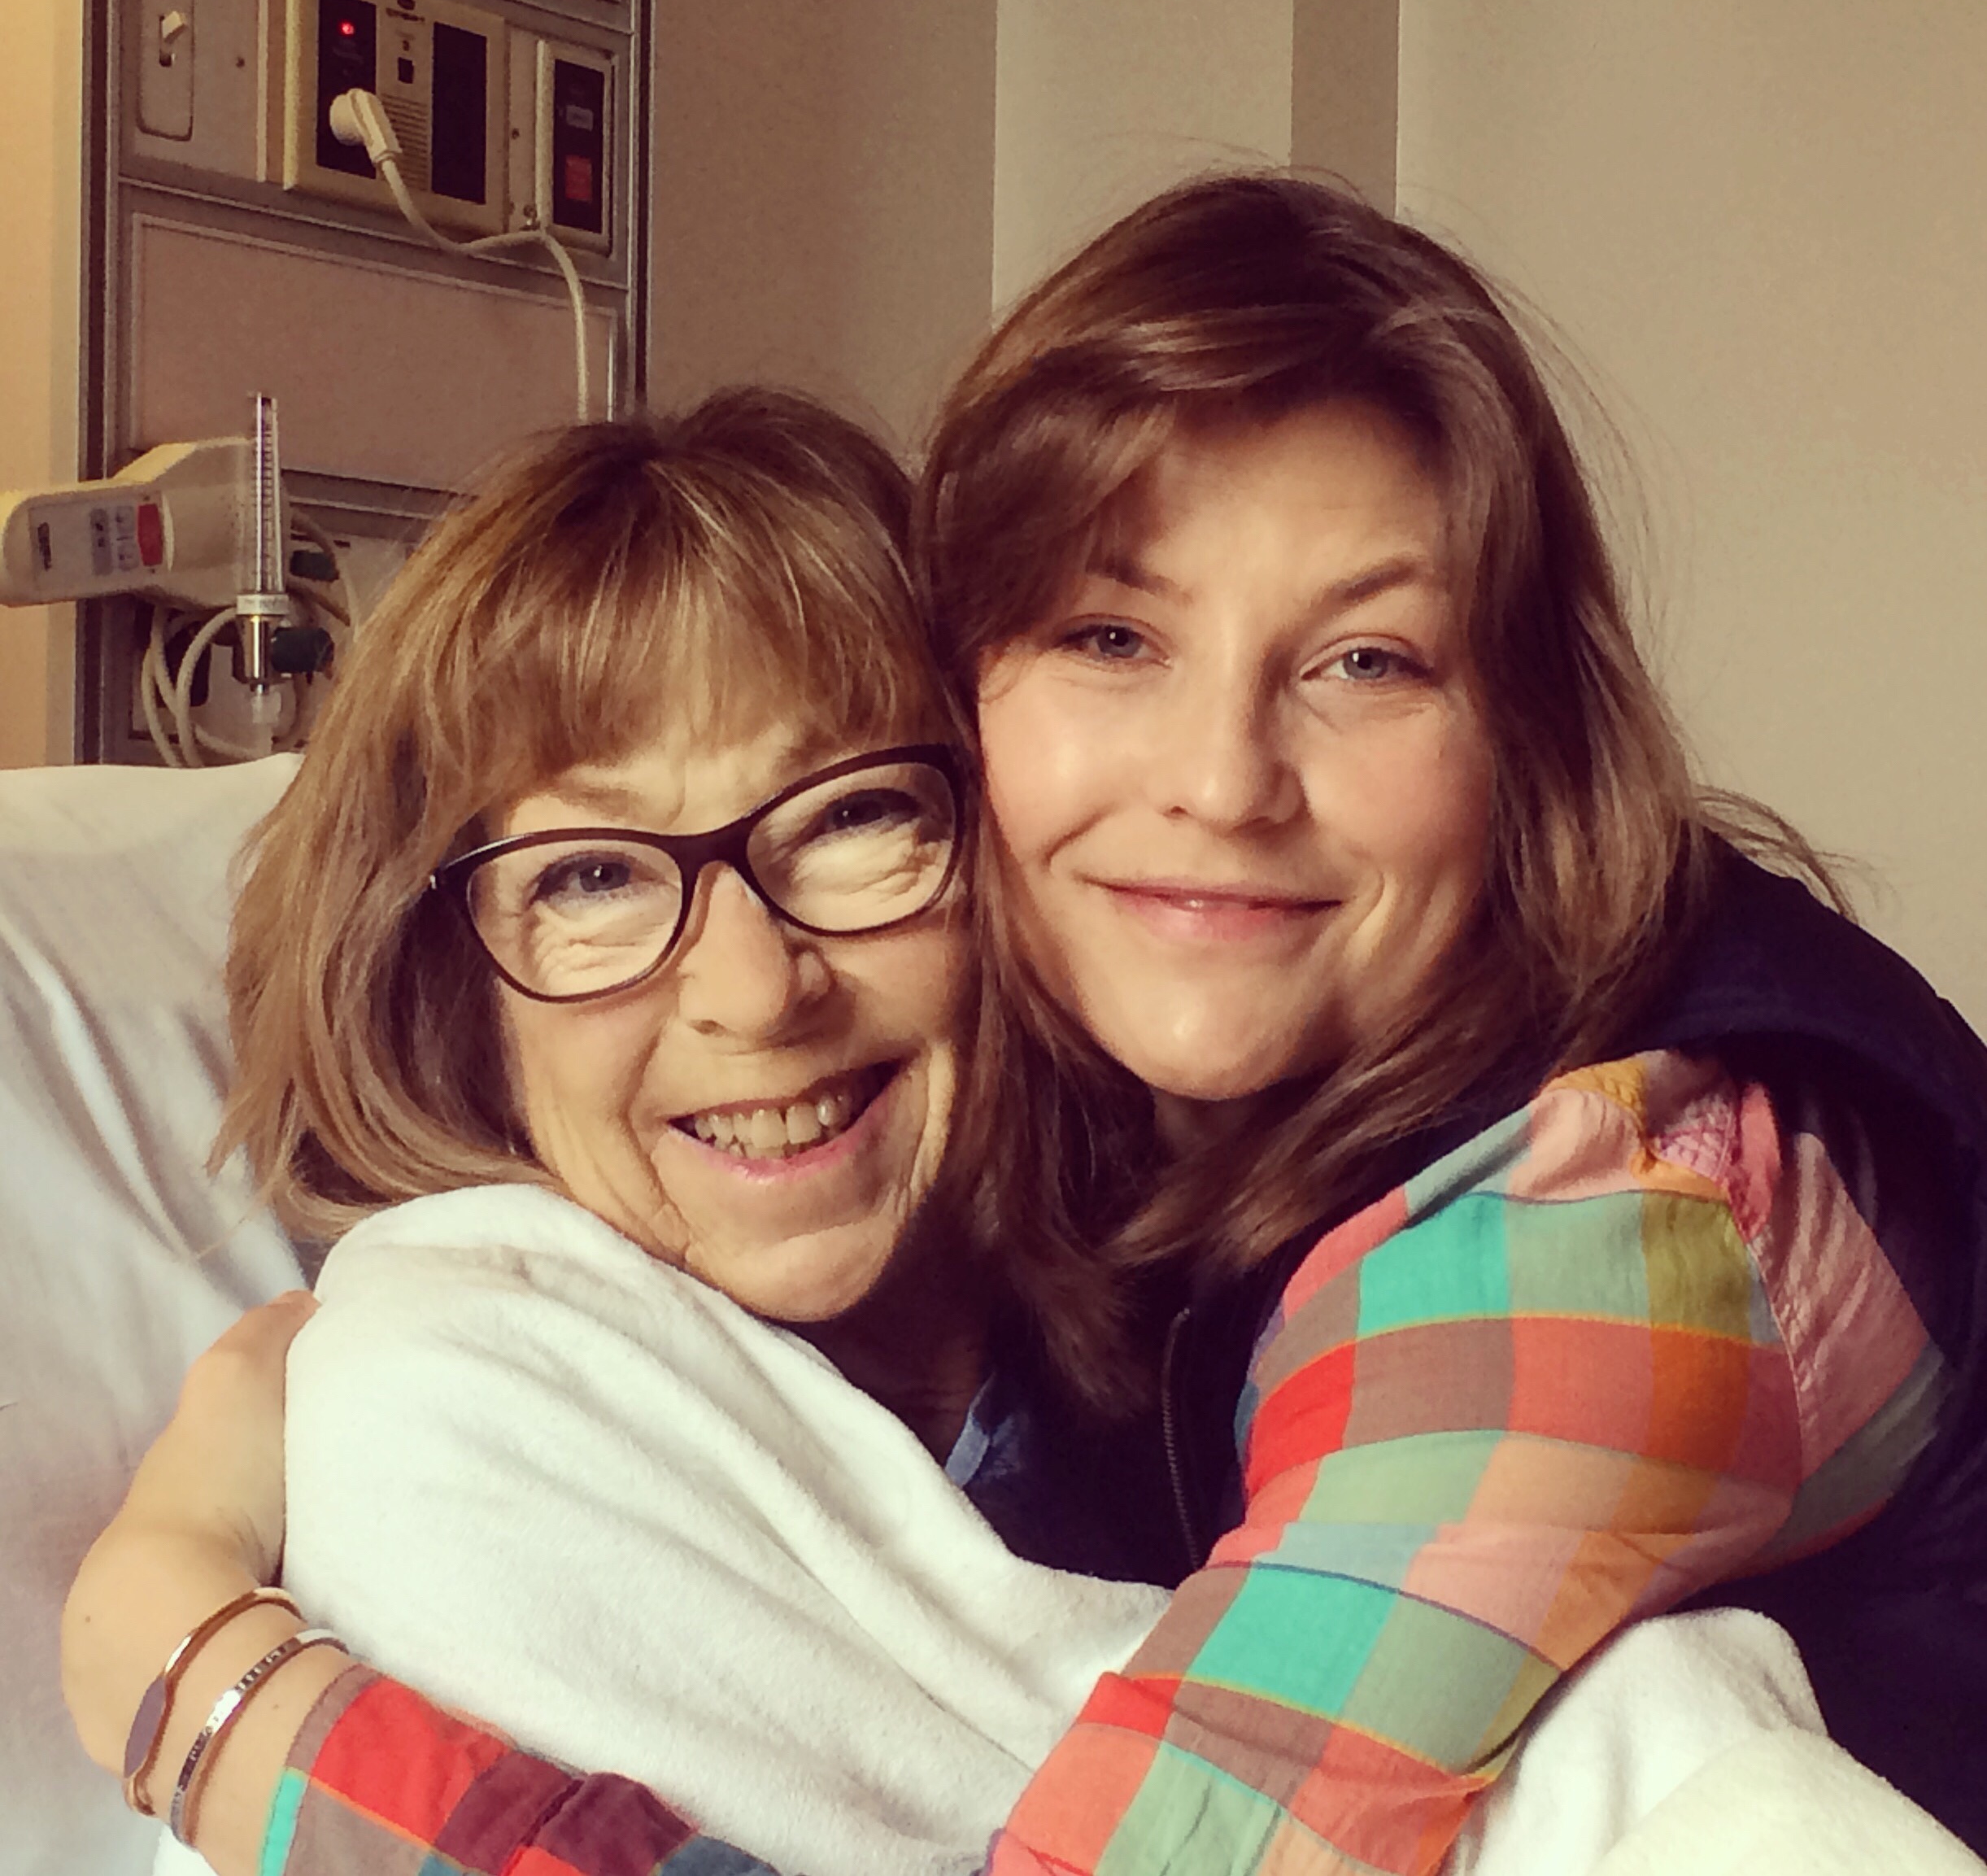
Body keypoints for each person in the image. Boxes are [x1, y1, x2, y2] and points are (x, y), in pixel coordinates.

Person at [67, 177, 1987, 1872]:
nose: (1219, 781)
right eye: (1112, 637)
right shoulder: (1102, 1187)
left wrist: (190, 1670)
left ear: (1528, 741)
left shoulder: (1611, 1220)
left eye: (1366, 659)